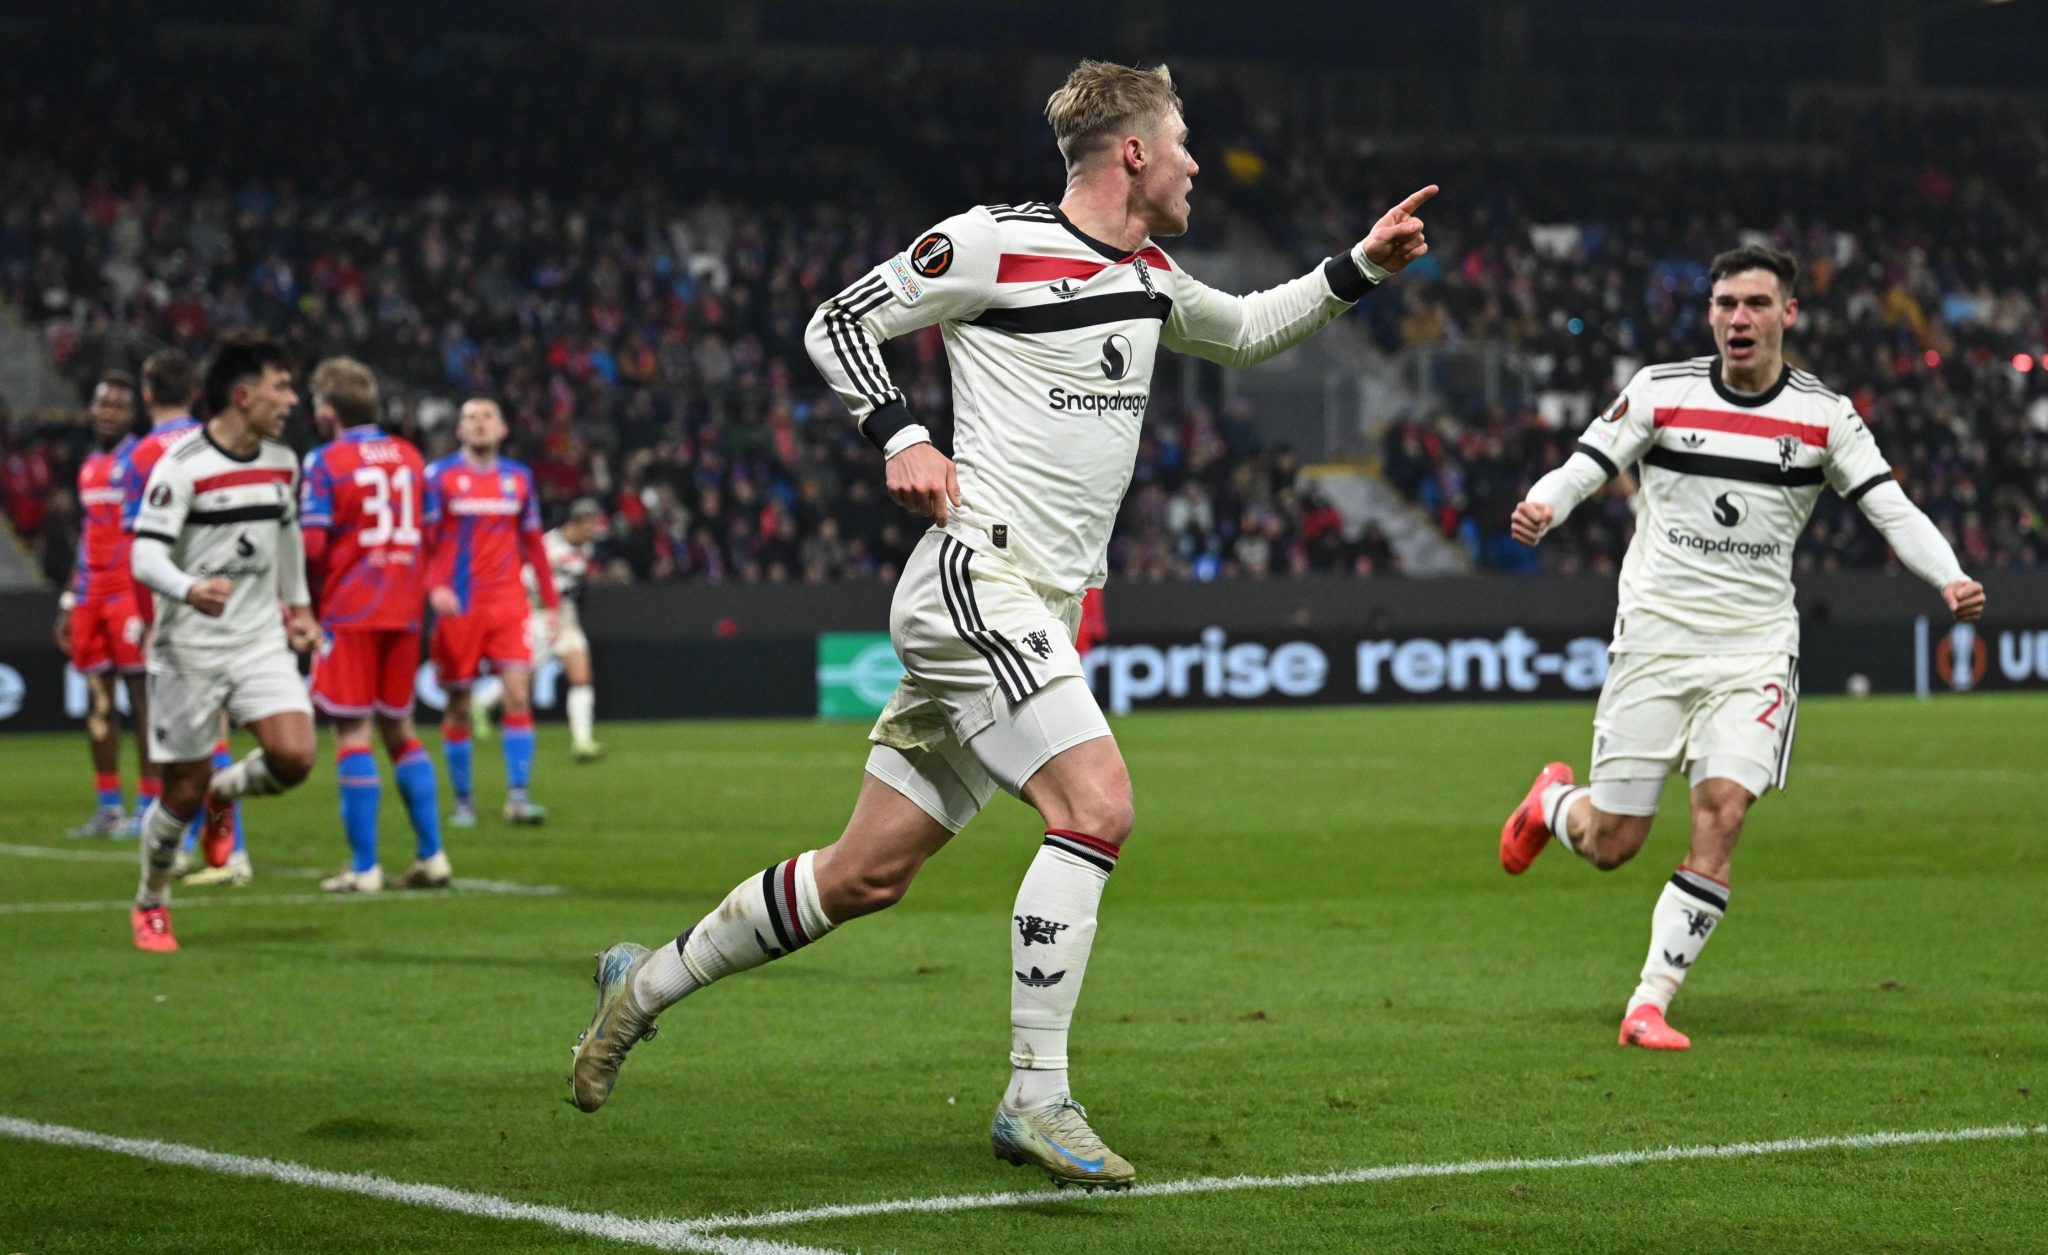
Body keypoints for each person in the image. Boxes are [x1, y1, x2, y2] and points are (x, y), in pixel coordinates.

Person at [567, 59, 1434, 1191]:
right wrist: (900, 434)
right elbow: (839, 322)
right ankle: (1035, 1095)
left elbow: (1245, 331)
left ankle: (641, 986)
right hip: (978, 578)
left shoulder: (1150, 276)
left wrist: (1359, 266)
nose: (1194, 163)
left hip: (1034, 606)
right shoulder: (990, 242)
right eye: (1180, 142)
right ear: (1132, 151)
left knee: (865, 874)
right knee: (1097, 804)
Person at [1498, 244, 1986, 1050]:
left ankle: (1649, 1002)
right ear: (1711, 314)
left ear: (1788, 313)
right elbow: (1585, 464)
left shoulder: (1826, 416)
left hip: (1754, 651)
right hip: (1655, 641)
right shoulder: (1661, 390)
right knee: (1613, 842)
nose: (1739, 318)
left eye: (1756, 303)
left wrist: (1950, 576)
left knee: (1722, 809)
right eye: (1726, 303)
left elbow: (1891, 507)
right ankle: (1553, 802)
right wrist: (1543, 505)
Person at [127, 336, 321, 951]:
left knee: (295, 757)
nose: (291, 400)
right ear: (243, 395)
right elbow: (144, 554)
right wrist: (188, 588)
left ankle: (224, 790)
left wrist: (300, 609)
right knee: (179, 790)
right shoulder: (181, 466)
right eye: (280, 387)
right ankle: (151, 900)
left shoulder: (283, 462)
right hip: (189, 648)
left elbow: (287, 537)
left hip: (257, 639)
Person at [299, 357, 450, 893]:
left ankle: (364, 867)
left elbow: (312, 546)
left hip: (351, 607)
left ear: (327, 410)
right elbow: (430, 531)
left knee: (352, 732)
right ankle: (432, 855)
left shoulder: (325, 461)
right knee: (400, 728)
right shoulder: (410, 456)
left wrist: (298, 597)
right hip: (404, 608)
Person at [120, 350, 248, 877]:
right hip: (232, 599)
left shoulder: (142, 456)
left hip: (178, 607)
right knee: (213, 732)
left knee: (192, 741)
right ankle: (212, 847)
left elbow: (140, 548)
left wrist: (146, 619)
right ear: (195, 394)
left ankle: (225, 850)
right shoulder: (219, 442)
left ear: (146, 394)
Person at [423, 397, 559, 826]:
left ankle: (518, 797)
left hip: (508, 604)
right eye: (470, 417)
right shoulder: (438, 477)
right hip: (459, 607)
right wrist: (434, 587)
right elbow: (423, 542)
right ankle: (464, 802)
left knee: (518, 695)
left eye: (487, 417)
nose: (479, 423)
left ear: (502, 429)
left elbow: (534, 544)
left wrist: (551, 604)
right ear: (459, 430)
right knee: (459, 704)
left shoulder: (518, 478)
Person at [57, 371, 147, 837]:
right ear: (92, 410)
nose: (108, 413)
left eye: (118, 406)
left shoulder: (142, 460)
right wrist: (70, 598)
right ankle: (109, 807)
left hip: (130, 593)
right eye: (103, 404)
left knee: (144, 702)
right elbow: (87, 535)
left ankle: (148, 807)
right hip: (91, 595)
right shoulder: (89, 465)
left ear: (132, 414)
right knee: (99, 704)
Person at [481, 497, 606, 761]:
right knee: (522, 676)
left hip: (566, 620)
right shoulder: (548, 546)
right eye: (590, 524)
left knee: (581, 675)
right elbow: (525, 579)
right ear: (575, 523)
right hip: (539, 617)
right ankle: (480, 703)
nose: (593, 530)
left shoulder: (586, 547)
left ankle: (582, 741)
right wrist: (556, 592)